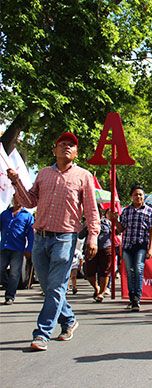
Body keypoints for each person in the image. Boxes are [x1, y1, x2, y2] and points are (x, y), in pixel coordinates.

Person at [7, 132, 99, 351]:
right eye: (62, 144)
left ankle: (42, 333)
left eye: (72, 145)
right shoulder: (44, 174)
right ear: (54, 150)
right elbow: (29, 201)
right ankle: (68, 320)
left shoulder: (83, 176)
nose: (67, 147)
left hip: (65, 239)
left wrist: (93, 236)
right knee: (50, 288)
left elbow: (91, 210)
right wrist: (16, 181)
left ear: (76, 153)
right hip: (40, 238)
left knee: (56, 286)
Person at [108, 184, 152, 312]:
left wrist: (150, 248)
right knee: (130, 271)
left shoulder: (149, 211)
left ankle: (137, 299)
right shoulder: (126, 211)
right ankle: (132, 296)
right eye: (135, 194)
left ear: (144, 196)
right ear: (131, 196)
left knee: (139, 269)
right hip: (128, 245)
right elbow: (120, 229)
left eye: (140, 194)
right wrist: (115, 220)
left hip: (141, 245)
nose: (138, 196)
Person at [0, 195, 34, 305]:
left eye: (20, 199)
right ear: (13, 200)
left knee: (14, 273)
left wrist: (29, 249)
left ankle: (10, 296)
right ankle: (7, 284)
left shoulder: (27, 216)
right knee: (0, 270)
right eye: (16, 199)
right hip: (4, 247)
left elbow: (31, 235)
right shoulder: (4, 214)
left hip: (18, 249)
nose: (18, 201)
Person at [80, 206, 113, 302]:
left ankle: (101, 292)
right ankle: (96, 288)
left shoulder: (107, 222)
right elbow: (80, 236)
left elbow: (116, 233)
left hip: (105, 249)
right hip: (90, 249)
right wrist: (86, 226)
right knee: (89, 272)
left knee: (105, 271)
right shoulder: (86, 223)